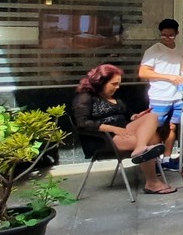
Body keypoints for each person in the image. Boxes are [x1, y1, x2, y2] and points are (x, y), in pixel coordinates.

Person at [72, 64, 176, 194]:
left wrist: (135, 117)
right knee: (150, 141)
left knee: (152, 116)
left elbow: (126, 114)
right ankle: (152, 182)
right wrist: (112, 128)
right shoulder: (85, 97)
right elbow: (82, 123)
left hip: (125, 130)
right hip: (105, 138)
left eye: (118, 84)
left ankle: (141, 148)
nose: (117, 87)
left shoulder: (115, 95)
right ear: (101, 82)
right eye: (114, 84)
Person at [140, 19, 183, 172]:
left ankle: (167, 159)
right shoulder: (153, 50)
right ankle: (154, 161)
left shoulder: (182, 48)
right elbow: (143, 72)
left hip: (179, 94)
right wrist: (168, 77)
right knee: (156, 129)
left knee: (172, 126)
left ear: (177, 33)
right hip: (160, 96)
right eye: (163, 35)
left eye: (170, 35)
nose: (167, 38)